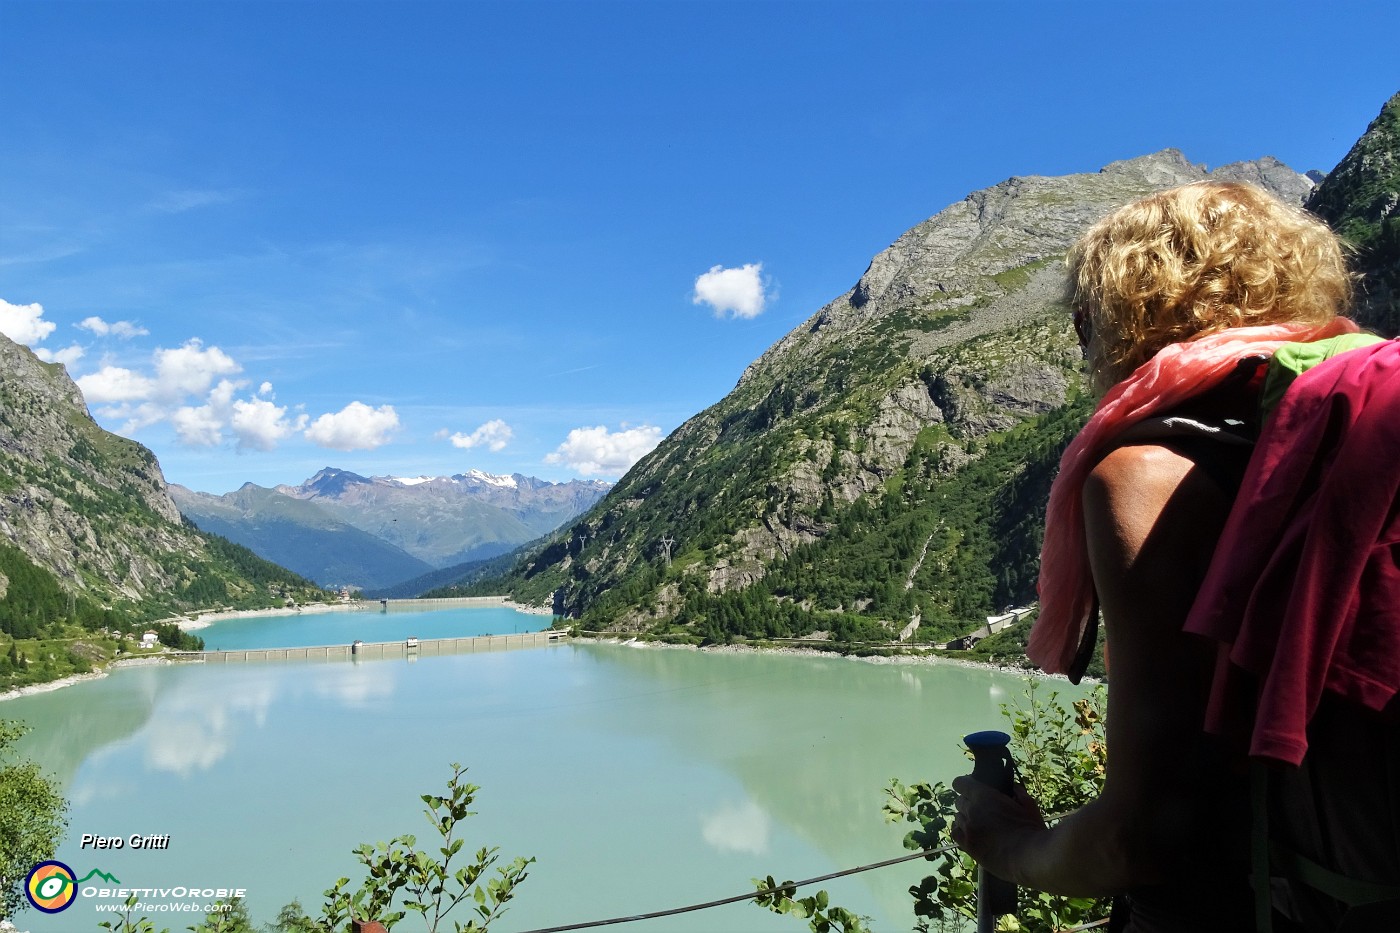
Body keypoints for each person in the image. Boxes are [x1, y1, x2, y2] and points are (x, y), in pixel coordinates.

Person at [948, 180, 1395, 932]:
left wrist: (1010, 845)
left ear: (1116, 319)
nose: (1085, 346)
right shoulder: (1346, 428)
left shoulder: (1150, 472)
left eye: (1083, 323)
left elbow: (1143, 837)